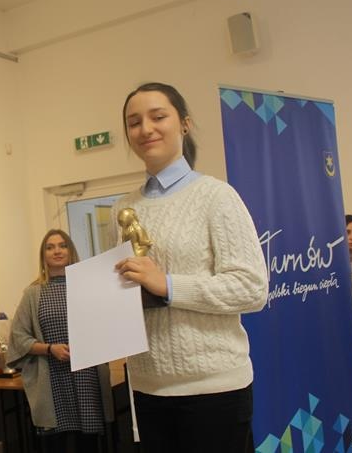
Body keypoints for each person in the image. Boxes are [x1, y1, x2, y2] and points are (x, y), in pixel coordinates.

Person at [111, 83, 268, 453]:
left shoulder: (216, 196)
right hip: (147, 387)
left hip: (214, 389)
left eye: (158, 117)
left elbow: (252, 288)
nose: (145, 129)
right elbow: (126, 290)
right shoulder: (124, 208)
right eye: (134, 122)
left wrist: (167, 285)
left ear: (184, 124)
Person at [8, 229, 113, 453]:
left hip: (87, 376)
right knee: (56, 444)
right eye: (50, 247)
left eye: (62, 245)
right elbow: (18, 337)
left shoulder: (88, 287)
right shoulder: (33, 293)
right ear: (43, 255)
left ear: (70, 251)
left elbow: (106, 326)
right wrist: (50, 349)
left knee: (88, 444)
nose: (57, 251)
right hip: (52, 378)